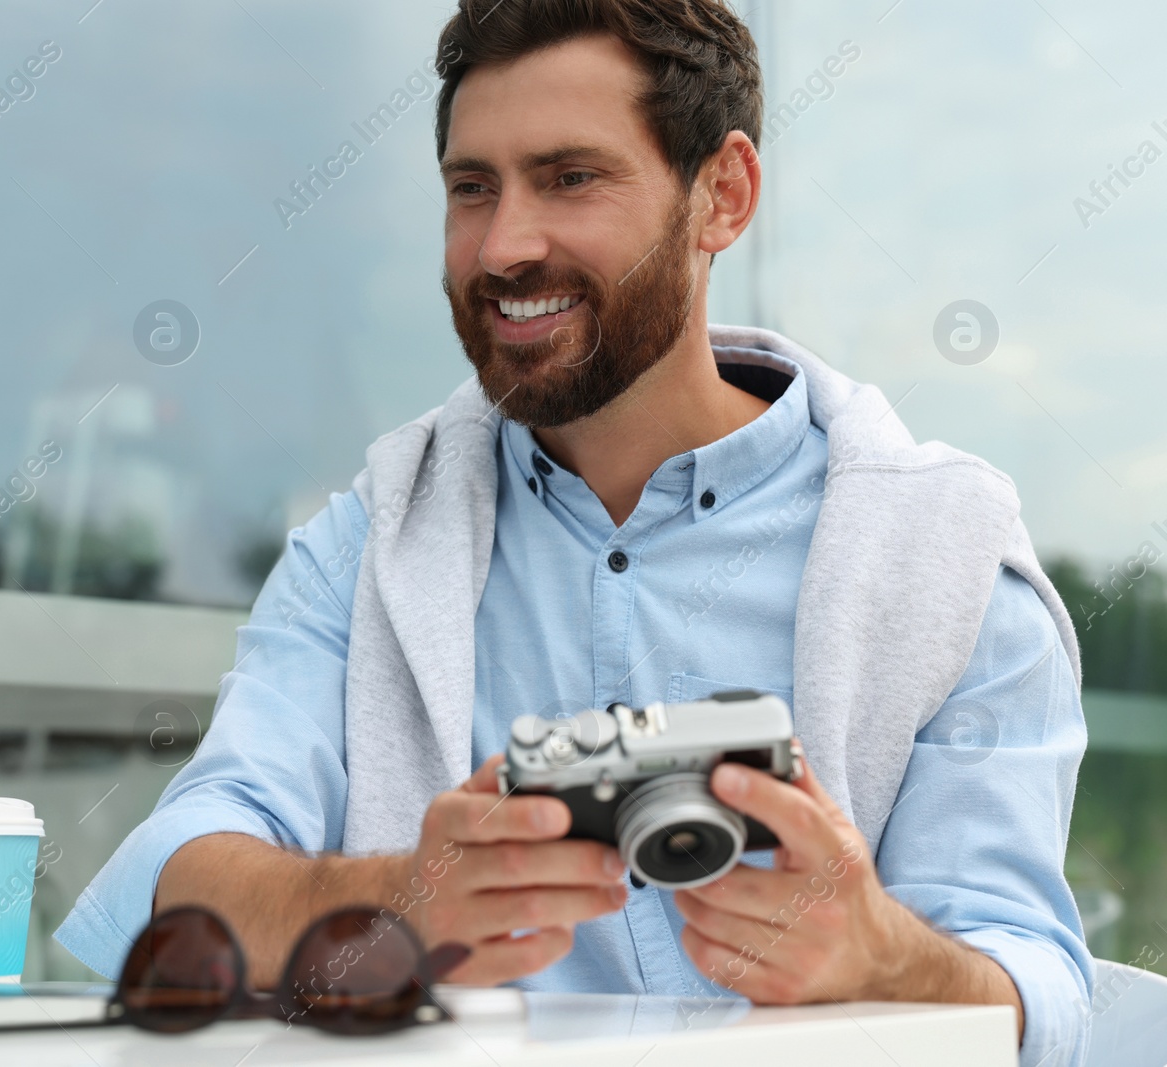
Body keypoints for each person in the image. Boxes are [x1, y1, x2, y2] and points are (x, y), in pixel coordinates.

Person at [57, 3, 1092, 1063]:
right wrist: (400, 897)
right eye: (473, 188)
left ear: (721, 196)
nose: (503, 245)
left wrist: (880, 954)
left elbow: (1035, 985)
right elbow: (174, 881)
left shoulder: (949, 557)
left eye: (570, 177)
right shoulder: (365, 550)